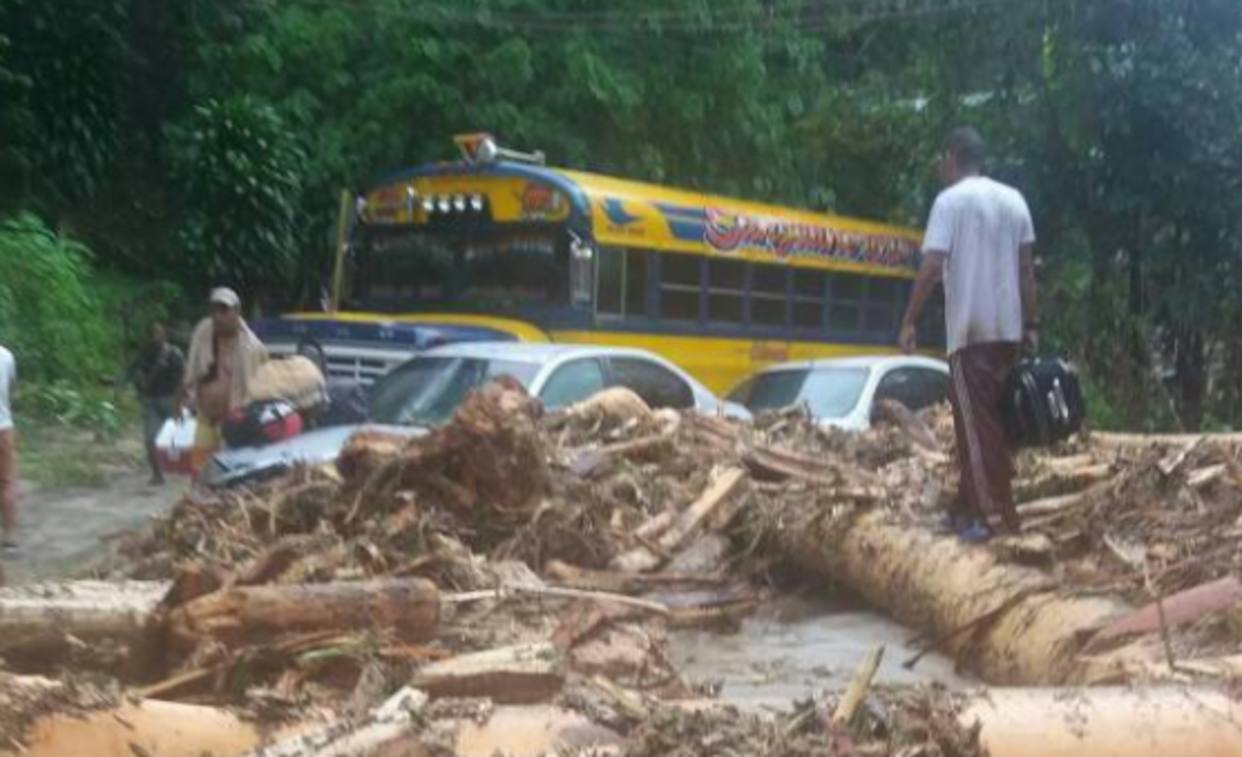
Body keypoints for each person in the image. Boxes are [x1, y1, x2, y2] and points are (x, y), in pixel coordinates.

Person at [899, 127, 1038, 540]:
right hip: (1008, 332)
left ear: (952, 158)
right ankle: (964, 506)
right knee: (988, 425)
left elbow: (931, 265)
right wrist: (1031, 324)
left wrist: (909, 319)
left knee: (975, 430)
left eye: (942, 159)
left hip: (970, 333)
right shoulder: (1014, 200)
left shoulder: (950, 202)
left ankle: (994, 518)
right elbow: (1027, 270)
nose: (941, 167)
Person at [178, 287, 268, 478]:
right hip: (205, 416)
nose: (219, 316)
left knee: (226, 475)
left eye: (224, 310)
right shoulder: (204, 332)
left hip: (233, 422)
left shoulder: (253, 348)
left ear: (237, 311)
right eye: (215, 310)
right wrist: (181, 396)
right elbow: (193, 367)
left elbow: (259, 388)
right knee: (198, 472)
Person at [128, 322, 185, 485]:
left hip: (169, 399)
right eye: (152, 334)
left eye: (158, 333)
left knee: (178, 439)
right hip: (151, 400)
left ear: (165, 335)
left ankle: (181, 468)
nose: (155, 337)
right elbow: (133, 371)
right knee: (150, 439)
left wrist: (179, 400)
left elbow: (183, 377)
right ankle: (157, 474)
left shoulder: (174, 353)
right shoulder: (145, 354)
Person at [0, 343, 16, 551]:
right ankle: (10, 535)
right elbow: (10, 387)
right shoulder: (6, 355)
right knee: (7, 481)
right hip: (3, 426)